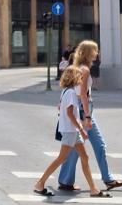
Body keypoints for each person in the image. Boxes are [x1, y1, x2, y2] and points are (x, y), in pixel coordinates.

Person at [57, 40, 122, 192]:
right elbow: (83, 94)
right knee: (85, 146)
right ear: (89, 53)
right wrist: (87, 117)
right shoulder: (85, 70)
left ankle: (68, 180)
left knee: (85, 146)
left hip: (81, 109)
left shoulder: (75, 67)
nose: (97, 53)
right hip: (84, 110)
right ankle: (67, 181)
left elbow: (69, 89)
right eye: (95, 51)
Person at [33, 66, 109, 198]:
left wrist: (80, 127)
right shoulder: (71, 93)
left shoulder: (67, 92)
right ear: (73, 77)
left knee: (84, 157)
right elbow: (69, 114)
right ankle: (40, 183)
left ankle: (93, 189)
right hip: (70, 131)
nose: (81, 79)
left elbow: (64, 109)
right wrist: (81, 129)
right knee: (61, 158)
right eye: (79, 76)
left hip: (72, 131)